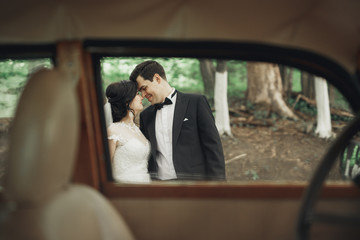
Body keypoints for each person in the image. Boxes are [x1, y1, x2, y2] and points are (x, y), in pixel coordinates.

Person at [129, 60, 226, 181]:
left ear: (157, 79)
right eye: (140, 91)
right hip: (159, 188)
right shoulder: (145, 116)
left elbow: (213, 148)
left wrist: (218, 187)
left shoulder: (196, 103)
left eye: (144, 88)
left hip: (194, 185)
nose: (142, 95)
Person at [104, 80, 151, 183]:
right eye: (137, 94)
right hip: (123, 189)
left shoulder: (137, 129)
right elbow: (104, 170)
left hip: (146, 187)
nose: (141, 97)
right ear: (127, 101)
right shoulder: (112, 131)